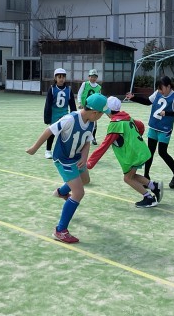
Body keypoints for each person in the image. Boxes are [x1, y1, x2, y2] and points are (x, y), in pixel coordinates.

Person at [26, 93, 110, 243]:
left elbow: (87, 141)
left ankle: (61, 192)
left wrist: (84, 157)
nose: (102, 116)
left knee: (85, 180)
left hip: (76, 158)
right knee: (78, 193)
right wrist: (34, 148)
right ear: (94, 112)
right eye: (102, 114)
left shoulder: (91, 122)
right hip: (63, 160)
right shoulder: (70, 119)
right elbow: (49, 130)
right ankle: (60, 230)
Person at [87, 96, 163, 208]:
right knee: (131, 176)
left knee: (127, 178)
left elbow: (104, 146)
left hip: (134, 155)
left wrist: (90, 163)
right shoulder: (126, 118)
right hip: (140, 151)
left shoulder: (115, 124)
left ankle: (149, 198)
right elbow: (140, 125)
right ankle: (154, 186)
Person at [126, 75, 174, 188]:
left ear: (168, 86)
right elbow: (147, 101)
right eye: (158, 88)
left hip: (165, 129)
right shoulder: (157, 93)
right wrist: (134, 98)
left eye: (161, 88)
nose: (160, 91)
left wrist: (167, 113)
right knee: (149, 152)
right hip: (154, 127)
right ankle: (146, 177)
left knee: (162, 152)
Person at [43, 68, 77, 159]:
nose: (61, 79)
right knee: (52, 133)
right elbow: (48, 104)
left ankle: (64, 152)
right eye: (59, 77)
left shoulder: (68, 89)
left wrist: (75, 116)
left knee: (65, 134)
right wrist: (47, 118)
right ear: (55, 78)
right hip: (54, 115)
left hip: (65, 114)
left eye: (63, 77)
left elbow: (72, 104)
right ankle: (48, 151)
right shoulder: (52, 89)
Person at [77, 69, 102, 145]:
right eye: (92, 76)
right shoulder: (85, 84)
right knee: (82, 122)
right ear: (89, 77)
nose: (93, 78)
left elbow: (99, 97)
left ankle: (93, 137)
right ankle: (81, 138)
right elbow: (80, 93)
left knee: (94, 123)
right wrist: (80, 102)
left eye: (95, 77)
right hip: (84, 107)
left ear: (97, 78)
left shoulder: (98, 87)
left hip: (93, 108)